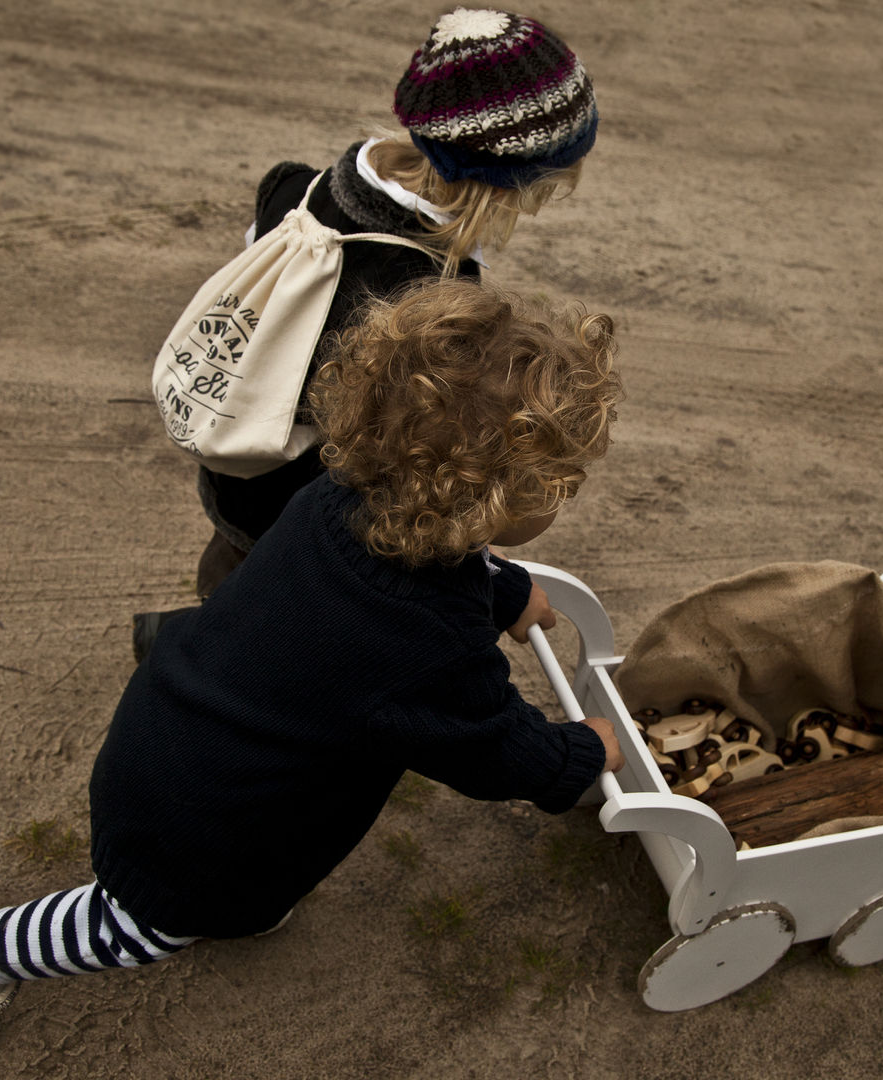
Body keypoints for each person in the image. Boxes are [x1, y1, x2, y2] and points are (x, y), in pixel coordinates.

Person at [0, 278, 627, 1059]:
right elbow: (491, 748)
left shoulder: (336, 500)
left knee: (247, 878)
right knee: (140, 928)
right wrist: (583, 752)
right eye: (558, 484)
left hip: (176, 727)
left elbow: (428, 575)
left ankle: (236, 904)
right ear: (496, 495)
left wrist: (506, 590)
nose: (564, 496)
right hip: (200, 821)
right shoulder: (429, 648)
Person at [132, 6, 600, 662]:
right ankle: (190, 659)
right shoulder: (424, 306)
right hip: (308, 507)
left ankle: (201, 632)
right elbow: (406, 465)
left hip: (236, 450)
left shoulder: (301, 186)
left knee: (238, 567)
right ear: (508, 184)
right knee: (296, 629)